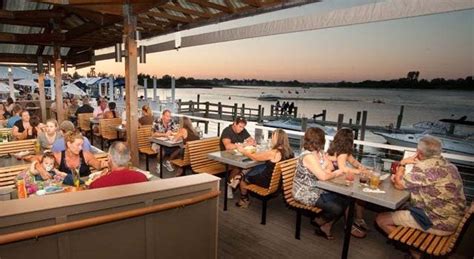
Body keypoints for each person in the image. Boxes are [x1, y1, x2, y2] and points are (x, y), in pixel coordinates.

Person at [376, 136, 466, 259]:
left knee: (381, 219)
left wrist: (402, 164)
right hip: (454, 218)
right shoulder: (450, 166)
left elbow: (398, 185)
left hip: (437, 223)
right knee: (404, 206)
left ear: (418, 152)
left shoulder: (422, 168)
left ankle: (416, 254)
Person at [292, 127, 347, 240]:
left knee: (346, 199)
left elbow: (329, 167)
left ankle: (324, 224)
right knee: (337, 208)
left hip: (317, 188)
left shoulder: (319, 152)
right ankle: (320, 220)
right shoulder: (308, 156)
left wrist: (326, 172)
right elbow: (324, 176)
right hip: (304, 191)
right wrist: (336, 173)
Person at [235, 129, 294, 208]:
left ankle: (244, 200)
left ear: (277, 139)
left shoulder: (274, 152)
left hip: (267, 183)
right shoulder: (290, 152)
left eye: (272, 137)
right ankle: (240, 176)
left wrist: (242, 151)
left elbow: (255, 157)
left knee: (243, 178)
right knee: (258, 167)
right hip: (280, 182)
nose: (271, 139)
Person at [327, 128, 368, 238]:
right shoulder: (342, 153)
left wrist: (362, 167)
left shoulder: (342, 151)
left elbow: (353, 162)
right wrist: (359, 171)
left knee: (360, 196)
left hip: (337, 179)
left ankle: (358, 219)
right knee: (349, 198)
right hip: (331, 182)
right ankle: (348, 225)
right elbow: (343, 168)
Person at [36, 131, 107, 183]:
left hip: (85, 187)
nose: (81, 148)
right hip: (67, 189)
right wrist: (40, 169)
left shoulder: (86, 155)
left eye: (82, 145)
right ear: (69, 144)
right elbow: (36, 158)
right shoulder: (59, 156)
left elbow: (98, 165)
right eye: (78, 145)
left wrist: (104, 164)